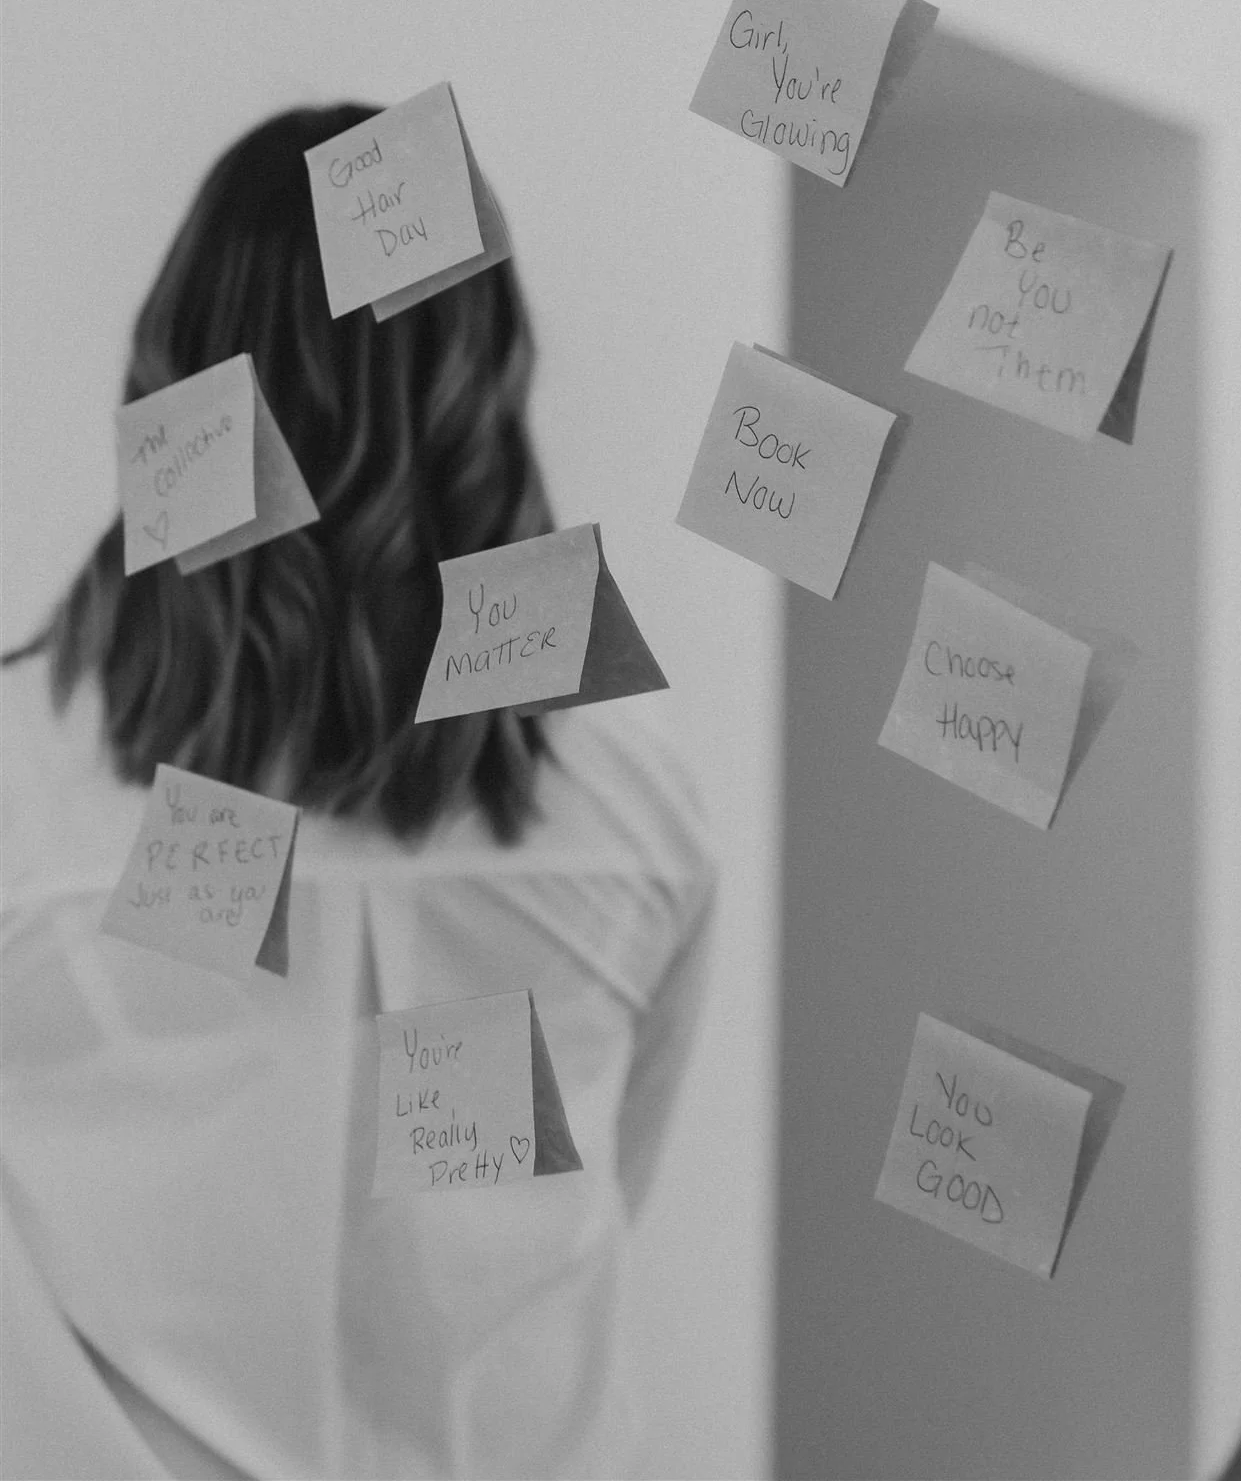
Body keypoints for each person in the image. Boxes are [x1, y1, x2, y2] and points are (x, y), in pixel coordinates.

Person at [1, 105, 716, 1481]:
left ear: (174, 382)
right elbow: (611, 1183)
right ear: (485, 376)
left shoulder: (27, 781)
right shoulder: (632, 803)